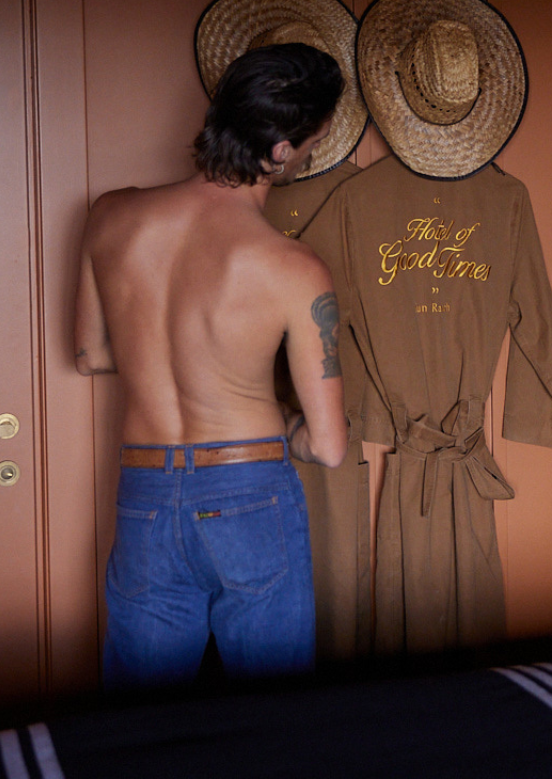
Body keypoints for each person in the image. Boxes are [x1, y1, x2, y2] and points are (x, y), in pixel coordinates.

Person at [74, 42, 348, 689]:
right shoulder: (292, 266)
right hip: (247, 492)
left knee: (141, 718)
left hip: (145, 494)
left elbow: (90, 354)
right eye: (312, 142)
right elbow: (329, 445)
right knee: (269, 714)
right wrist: (282, 420)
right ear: (282, 150)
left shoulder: (110, 214)